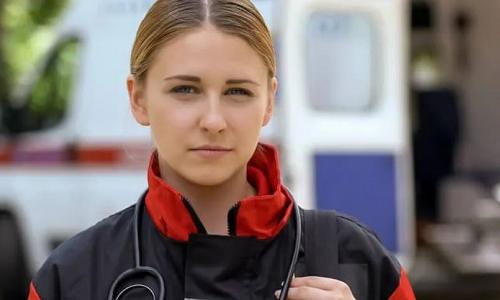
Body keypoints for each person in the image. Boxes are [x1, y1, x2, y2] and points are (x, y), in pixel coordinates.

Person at [27, 0, 415, 299]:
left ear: (268, 103)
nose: (213, 119)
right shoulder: (71, 276)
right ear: (138, 99)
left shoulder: (356, 259)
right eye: (185, 89)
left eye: (237, 91)